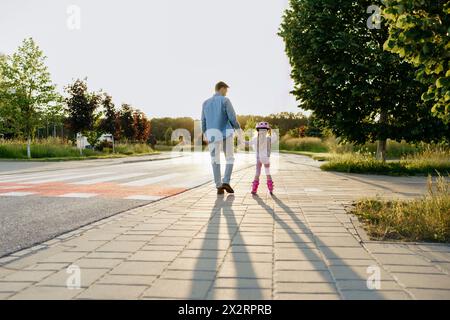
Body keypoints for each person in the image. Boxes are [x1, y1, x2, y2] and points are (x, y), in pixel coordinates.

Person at [201, 81, 241, 195]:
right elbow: (232, 117)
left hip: (212, 134)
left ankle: (218, 186)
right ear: (221, 88)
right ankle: (226, 182)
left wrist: (205, 133)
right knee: (229, 158)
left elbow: (203, 121)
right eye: (226, 90)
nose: (226, 93)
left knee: (215, 160)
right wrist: (238, 129)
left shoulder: (205, 103)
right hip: (226, 133)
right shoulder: (225, 100)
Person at [245, 122, 277, 195]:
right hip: (266, 158)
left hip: (258, 158)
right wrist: (271, 130)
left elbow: (247, 143)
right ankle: (271, 189)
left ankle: (254, 189)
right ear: (267, 131)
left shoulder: (255, 139)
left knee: (257, 173)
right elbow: (275, 138)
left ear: (257, 130)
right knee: (268, 173)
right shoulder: (268, 138)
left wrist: (240, 140)